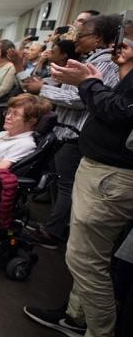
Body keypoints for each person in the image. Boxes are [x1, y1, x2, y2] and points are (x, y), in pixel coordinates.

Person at [24, 19, 133, 337]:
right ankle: (75, 317)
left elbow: (117, 112)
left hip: (112, 176)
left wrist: (87, 84)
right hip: (99, 167)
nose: (123, 44)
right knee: (85, 255)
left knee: (87, 260)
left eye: (129, 40)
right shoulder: (123, 74)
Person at [23, 14, 120, 249]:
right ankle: (55, 226)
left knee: (66, 187)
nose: (76, 40)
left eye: (82, 35)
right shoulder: (89, 60)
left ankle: (54, 233)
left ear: (98, 38)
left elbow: (81, 98)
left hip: (77, 135)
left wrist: (43, 89)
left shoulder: (104, 63)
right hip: (66, 132)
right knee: (60, 184)